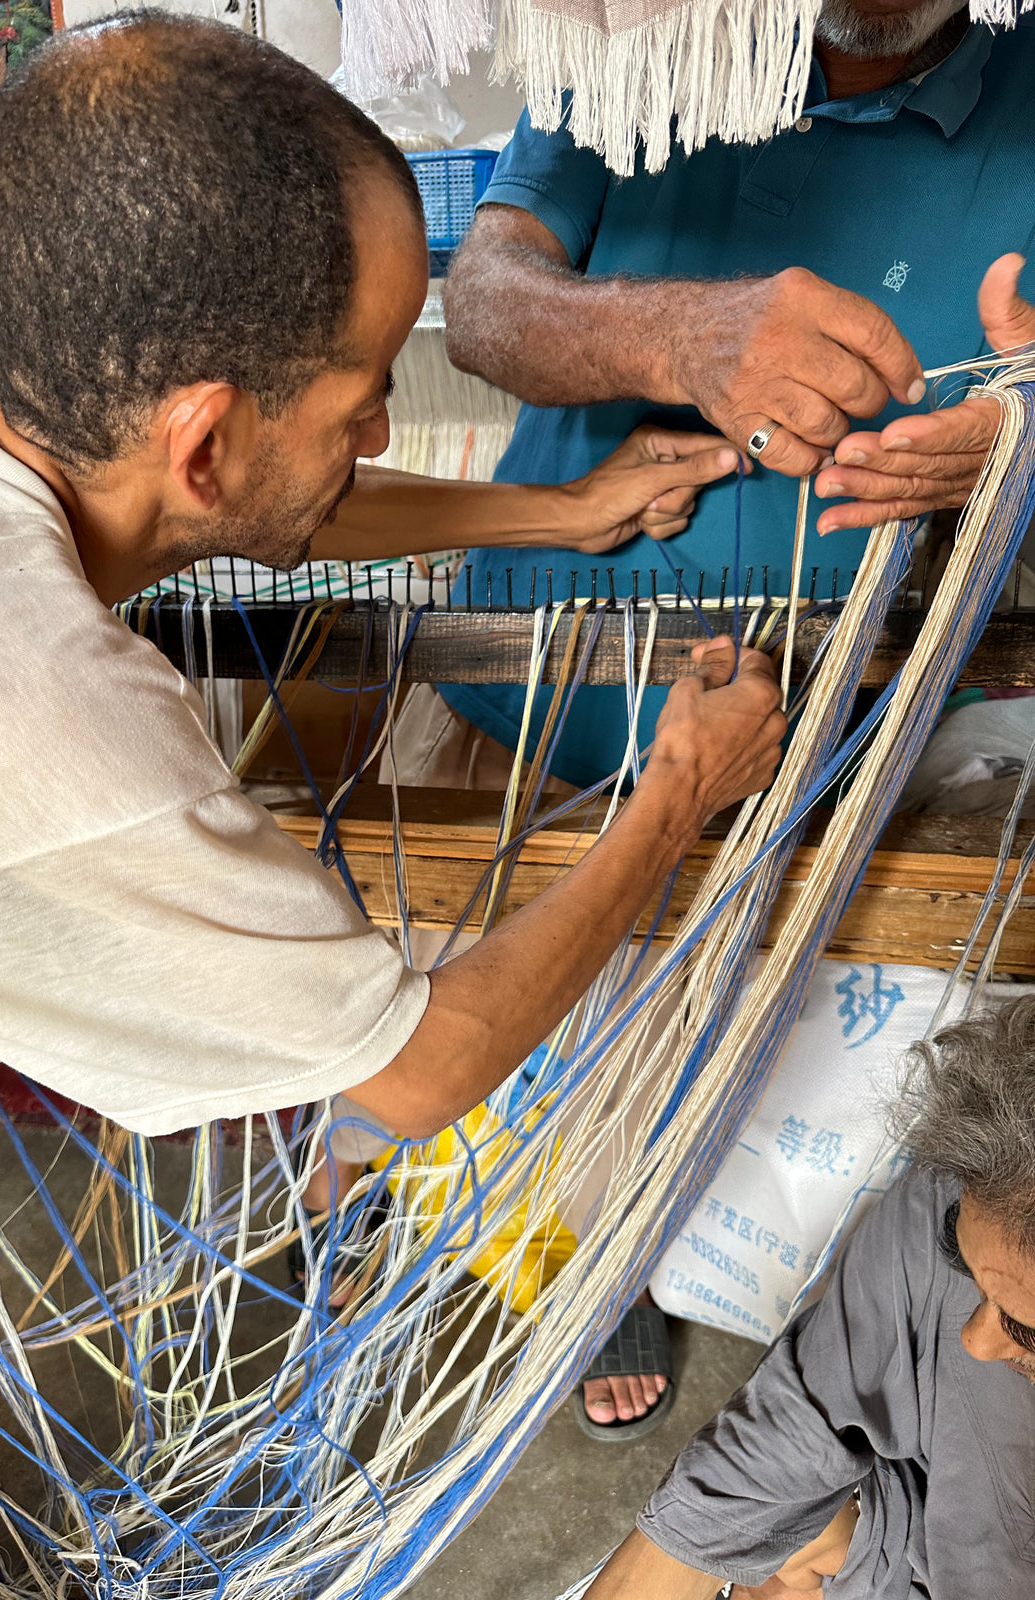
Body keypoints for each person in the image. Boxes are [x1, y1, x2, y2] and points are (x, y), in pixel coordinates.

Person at [0, 14, 785, 1220]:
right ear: (206, 439)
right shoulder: (50, 742)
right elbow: (419, 1066)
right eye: (363, 401)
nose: (380, 433)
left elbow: (252, 497)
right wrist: (678, 796)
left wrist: (559, 508)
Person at [396, 0, 1035, 1432]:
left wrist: (1017, 430)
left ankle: (693, 1231)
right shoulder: (644, 39)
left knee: (761, 1021)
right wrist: (682, 336)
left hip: (844, 709)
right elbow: (487, 306)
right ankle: (599, 1252)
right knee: (547, 1006)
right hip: (545, 676)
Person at [578, 995, 1035, 1599]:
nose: (974, 1340)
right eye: (971, 1278)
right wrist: (857, 1537)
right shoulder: (974, 1190)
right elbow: (803, 1415)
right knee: (778, 1551)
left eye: (1024, 1330)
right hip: (910, 1542)